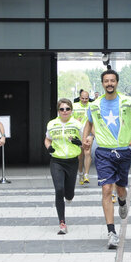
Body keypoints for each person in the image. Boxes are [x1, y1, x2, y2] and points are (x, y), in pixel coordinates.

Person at [82, 69, 131, 250]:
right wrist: (86, 139)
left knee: (120, 188)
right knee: (106, 189)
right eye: (106, 81)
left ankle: (123, 201)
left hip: (123, 152)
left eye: (112, 81)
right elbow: (89, 122)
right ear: (102, 83)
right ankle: (111, 232)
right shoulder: (94, 105)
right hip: (103, 153)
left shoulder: (127, 101)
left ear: (117, 83)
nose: (109, 83)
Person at [44, 98, 85, 235]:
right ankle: (62, 223)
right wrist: (49, 147)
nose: (65, 111)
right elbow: (47, 138)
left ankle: (69, 196)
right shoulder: (52, 124)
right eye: (62, 109)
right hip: (57, 161)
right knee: (59, 189)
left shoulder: (77, 124)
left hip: (72, 161)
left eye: (67, 109)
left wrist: (79, 142)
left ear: (71, 110)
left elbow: (85, 141)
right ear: (58, 111)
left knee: (69, 193)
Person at [72, 89, 93, 185]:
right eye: (83, 98)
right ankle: (80, 173)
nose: (85, 100)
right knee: (80, 156)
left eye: (86, 98)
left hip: (89, 133)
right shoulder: (74, 106)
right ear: (79, 98)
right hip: (78, 133)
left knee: (87, 152)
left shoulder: (92, 106)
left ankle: (86, 175)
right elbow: (68, 119)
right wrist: (75, 120)